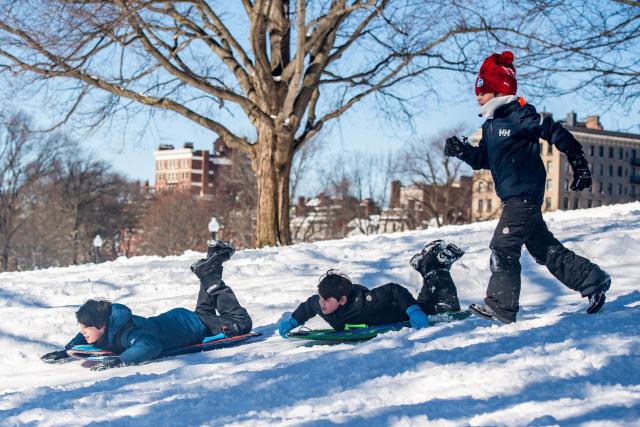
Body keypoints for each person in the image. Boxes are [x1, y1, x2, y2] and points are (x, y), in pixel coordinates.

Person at [444, 51, 611, 324]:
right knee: (544, 249)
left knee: (503, 246)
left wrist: (579, 163)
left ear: (499, 91)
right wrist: (461, 151)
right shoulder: (490, 126)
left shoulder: (520, 115)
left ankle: (501, 306)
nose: (478, 96)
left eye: (484, 92)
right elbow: (483, 160)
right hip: (513, 199)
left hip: (523, 197)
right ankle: (593, 280)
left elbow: (557, 132)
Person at [40, 240, 252, 370]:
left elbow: (150, 346)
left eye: (86, 327)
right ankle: (213, 259)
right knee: (206, 298)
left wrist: (121, 360)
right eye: (82, 326)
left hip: (195, 326)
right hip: (183, 320)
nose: (82, 331)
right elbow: (82, 338)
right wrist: (66, 351)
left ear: (102, 325)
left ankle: (212, 266)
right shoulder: (104, 326)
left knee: (241, 323)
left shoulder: (129, 333)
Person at [278, 240, 466, 337]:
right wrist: (292, 322)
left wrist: (413, 311)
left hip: (409, 313)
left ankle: (435, 266)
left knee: (445, 307)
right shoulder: (322, 304)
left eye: (327, 300)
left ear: (342, 300)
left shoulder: (365, 302)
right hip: (410, 307)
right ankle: (427, 265)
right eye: (321, 298)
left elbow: (393, 290)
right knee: (424, 301)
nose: (322, 304)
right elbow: (308, 306)